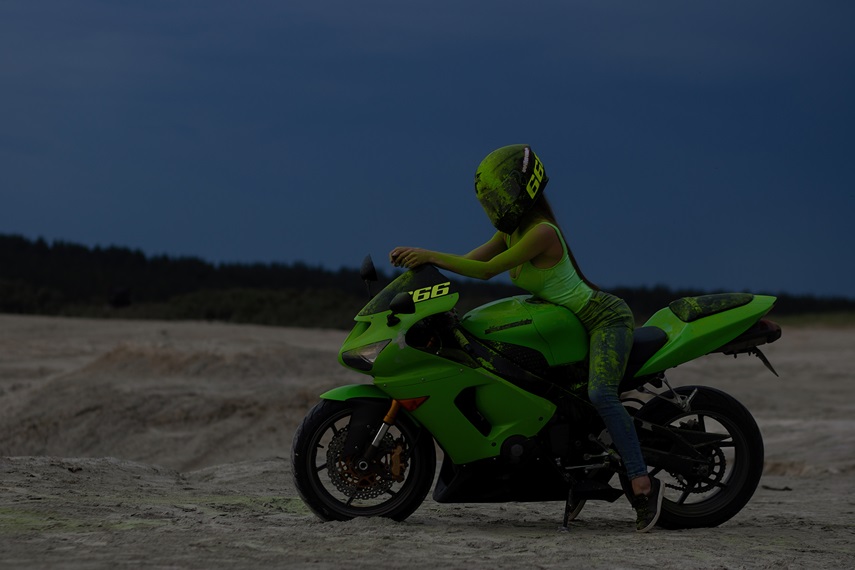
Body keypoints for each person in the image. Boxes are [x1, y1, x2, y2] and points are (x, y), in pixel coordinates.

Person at [389, 144, 663, 532]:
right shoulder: (512, 230)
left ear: (517, 192)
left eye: (497, 195)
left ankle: (642, 484)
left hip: (603, 319)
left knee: (601, 393)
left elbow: (486, 273)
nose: (493, 204)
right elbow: (474, 260)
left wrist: (427, 253)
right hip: (569, 324)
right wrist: (424, 266)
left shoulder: (542, 233)